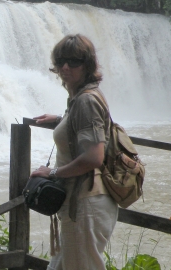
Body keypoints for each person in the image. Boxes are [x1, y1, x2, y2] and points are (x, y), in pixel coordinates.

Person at [31, 34, 118, 270]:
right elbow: (87, 128)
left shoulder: (85, 102)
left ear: (87, 65)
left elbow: (94, 157)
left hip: (85, 204)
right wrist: (61, 121)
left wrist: (53, 173)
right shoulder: (79, 99)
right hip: (82, 202)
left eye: (74, 61)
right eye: (61, 61)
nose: (65, 67)